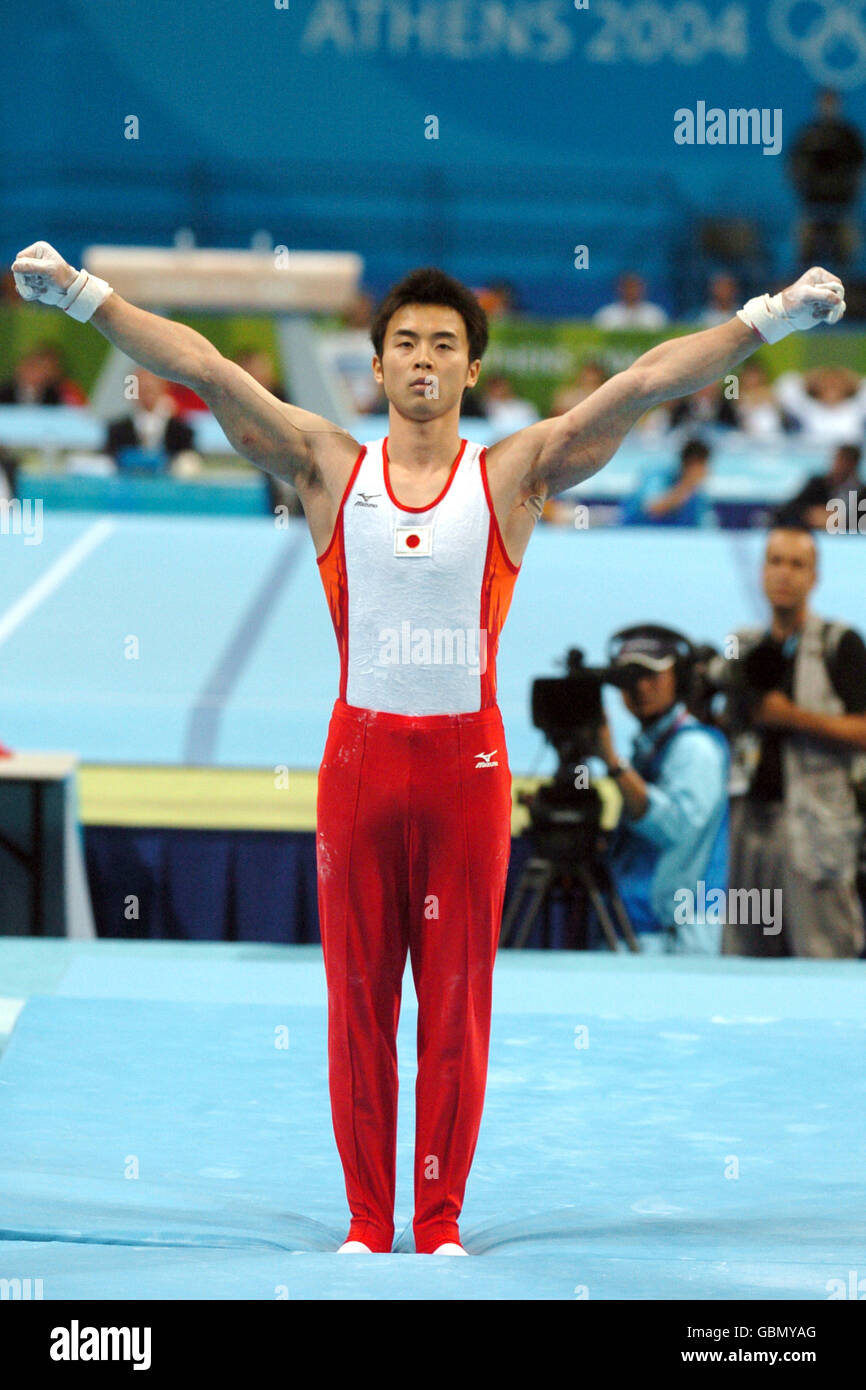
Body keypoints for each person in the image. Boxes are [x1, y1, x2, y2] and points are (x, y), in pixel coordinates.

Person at [11, 238, 846, 1255]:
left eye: (443, 344)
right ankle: (369, 1223)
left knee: (454, 1007)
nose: (421, 359)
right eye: (403, 341)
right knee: (357, 1003)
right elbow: (205, 370)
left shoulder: (510, 475)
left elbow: (637, 386)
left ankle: (438, 1221)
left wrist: (769, 319)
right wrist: (85, 297)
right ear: (374, 364)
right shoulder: (325, 466)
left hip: (469, 771)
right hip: (358, 767)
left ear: (471, 366)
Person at [713, 526, 866, 958]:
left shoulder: (840, 644)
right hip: (749, 825)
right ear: (761, 571)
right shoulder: (742, 647)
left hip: (816, 829)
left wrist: (794, 718)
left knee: (824, 955)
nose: (784, 574)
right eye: (775, 561)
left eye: (797, 564)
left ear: (814, 577)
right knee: (743, 956)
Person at [588, 626, 729, 953]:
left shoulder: (696, 747)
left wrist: (613, 764)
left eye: (652, 675)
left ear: (680, 679)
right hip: (639, 926)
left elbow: (675, 827)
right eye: (629, 678)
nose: (639, 687)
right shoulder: (649, 747)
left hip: (673, 936)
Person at [789, 89, 865, 269]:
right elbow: (794, 168)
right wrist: (806, 190)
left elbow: (860, 169)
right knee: (803, 242)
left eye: (832, 103)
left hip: (843, 206)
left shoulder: (850, 136)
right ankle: (801, 281)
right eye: (825, 103)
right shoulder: (807, 136)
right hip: (812, 206)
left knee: (849, 247)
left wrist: (849, 191)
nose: (828, 108)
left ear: (839, 105)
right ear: (818, 105)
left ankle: (849, 285)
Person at [104, 368, 198, 471]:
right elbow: (108, 460)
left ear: (164, 387)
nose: (147, 388)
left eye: (151, 386)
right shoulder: (117, 430)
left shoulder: (182, 431)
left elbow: (190, 463)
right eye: (142, 386)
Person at [774, 443, 866, 532]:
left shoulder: (862, 493)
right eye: (838, 460)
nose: (838, 465)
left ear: (854, 465)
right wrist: (810, 514)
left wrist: (842, 521)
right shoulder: (817, 485)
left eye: (845, 461)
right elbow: (787, 510)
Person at [621, 438, 713, 527]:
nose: (706, 471)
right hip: (636, 533)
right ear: (694, 463)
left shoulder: (697, 493)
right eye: (703, 465)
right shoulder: (658, 473)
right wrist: (687, 484)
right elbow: (652, 507)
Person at [0, 342, 86, 405]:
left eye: (46, 369)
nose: (36, 372)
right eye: (32, 366)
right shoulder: (3, 392)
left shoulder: (56, 395)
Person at [593, 272, 668, 330]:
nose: (631, 291)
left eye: (635, 287)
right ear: (619, 289)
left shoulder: (655, 314)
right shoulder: (606, 314)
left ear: (643, 288)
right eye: (628, 287)